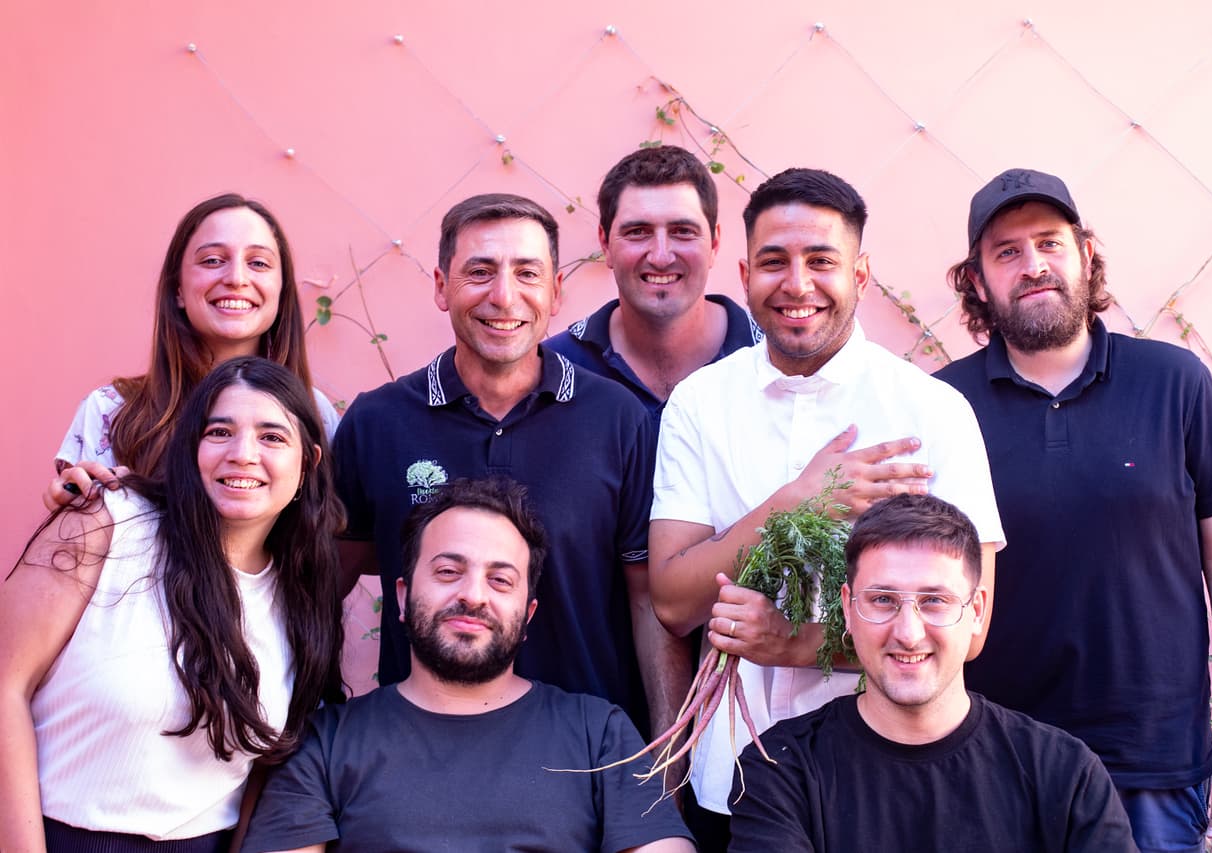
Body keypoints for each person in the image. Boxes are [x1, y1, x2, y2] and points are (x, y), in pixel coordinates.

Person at [648, 167, 1005, 848]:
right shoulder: (700, 404)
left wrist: (790, 644)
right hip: (734, 780)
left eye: (822, 260)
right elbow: (672, 598)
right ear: (747, 271)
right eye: (775, 261)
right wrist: (798, 500)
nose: (798, 283)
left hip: (891, 781)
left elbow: (972, 626)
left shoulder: (932, 411)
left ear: (862, 274)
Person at [935, 167, 1212, 853]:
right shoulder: (943, 407)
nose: (1033, 265)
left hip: (1157, 775)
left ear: (1085, 254)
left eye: (1049, 243)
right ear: (976, 280)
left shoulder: (1175, 383)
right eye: (1007, 251)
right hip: (996, 768)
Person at [332, 193, 684, 742]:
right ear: (440, 285)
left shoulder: (617, 419)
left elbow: (647, 600)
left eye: (527, 273)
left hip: (583, 752)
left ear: (556, 291)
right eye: (479, 271)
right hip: (416, 753)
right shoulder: (377, 422)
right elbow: (326, 582)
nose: (504, 296)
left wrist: (667, 756)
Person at [0, 356, 346, 850]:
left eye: (272, 437)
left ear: (307, 462)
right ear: (192, 448)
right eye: (220, 432)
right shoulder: (106, 524)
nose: (243, 454)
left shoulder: (302, 598)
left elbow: (261, 774)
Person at [242, 478, 693, 852]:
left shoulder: (599, 733)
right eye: (447, 571)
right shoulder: (328, 742)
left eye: (500, 580)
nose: (474, 595)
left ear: (527, 617)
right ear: (402, 596)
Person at [729, 493, 1137, 851]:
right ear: (848, 608)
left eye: (935, 601)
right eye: (883, 599)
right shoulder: (780, 771)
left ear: (976, 611)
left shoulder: (1063, 773)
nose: (908, 633)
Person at [48, 193, 340, 508]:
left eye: (258, 263)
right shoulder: (111, 411)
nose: (237, 279)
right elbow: (80, 540)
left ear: (281, 294)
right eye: (213, 260)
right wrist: (70, 512)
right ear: (178, 290)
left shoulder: (316, 413)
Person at [545, 144, 760, 420]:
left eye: (683, 231)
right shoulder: (553, 371)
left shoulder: (774, 363)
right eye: (638, 232)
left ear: (714, 243)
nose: (660, 257)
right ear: (605, 243)